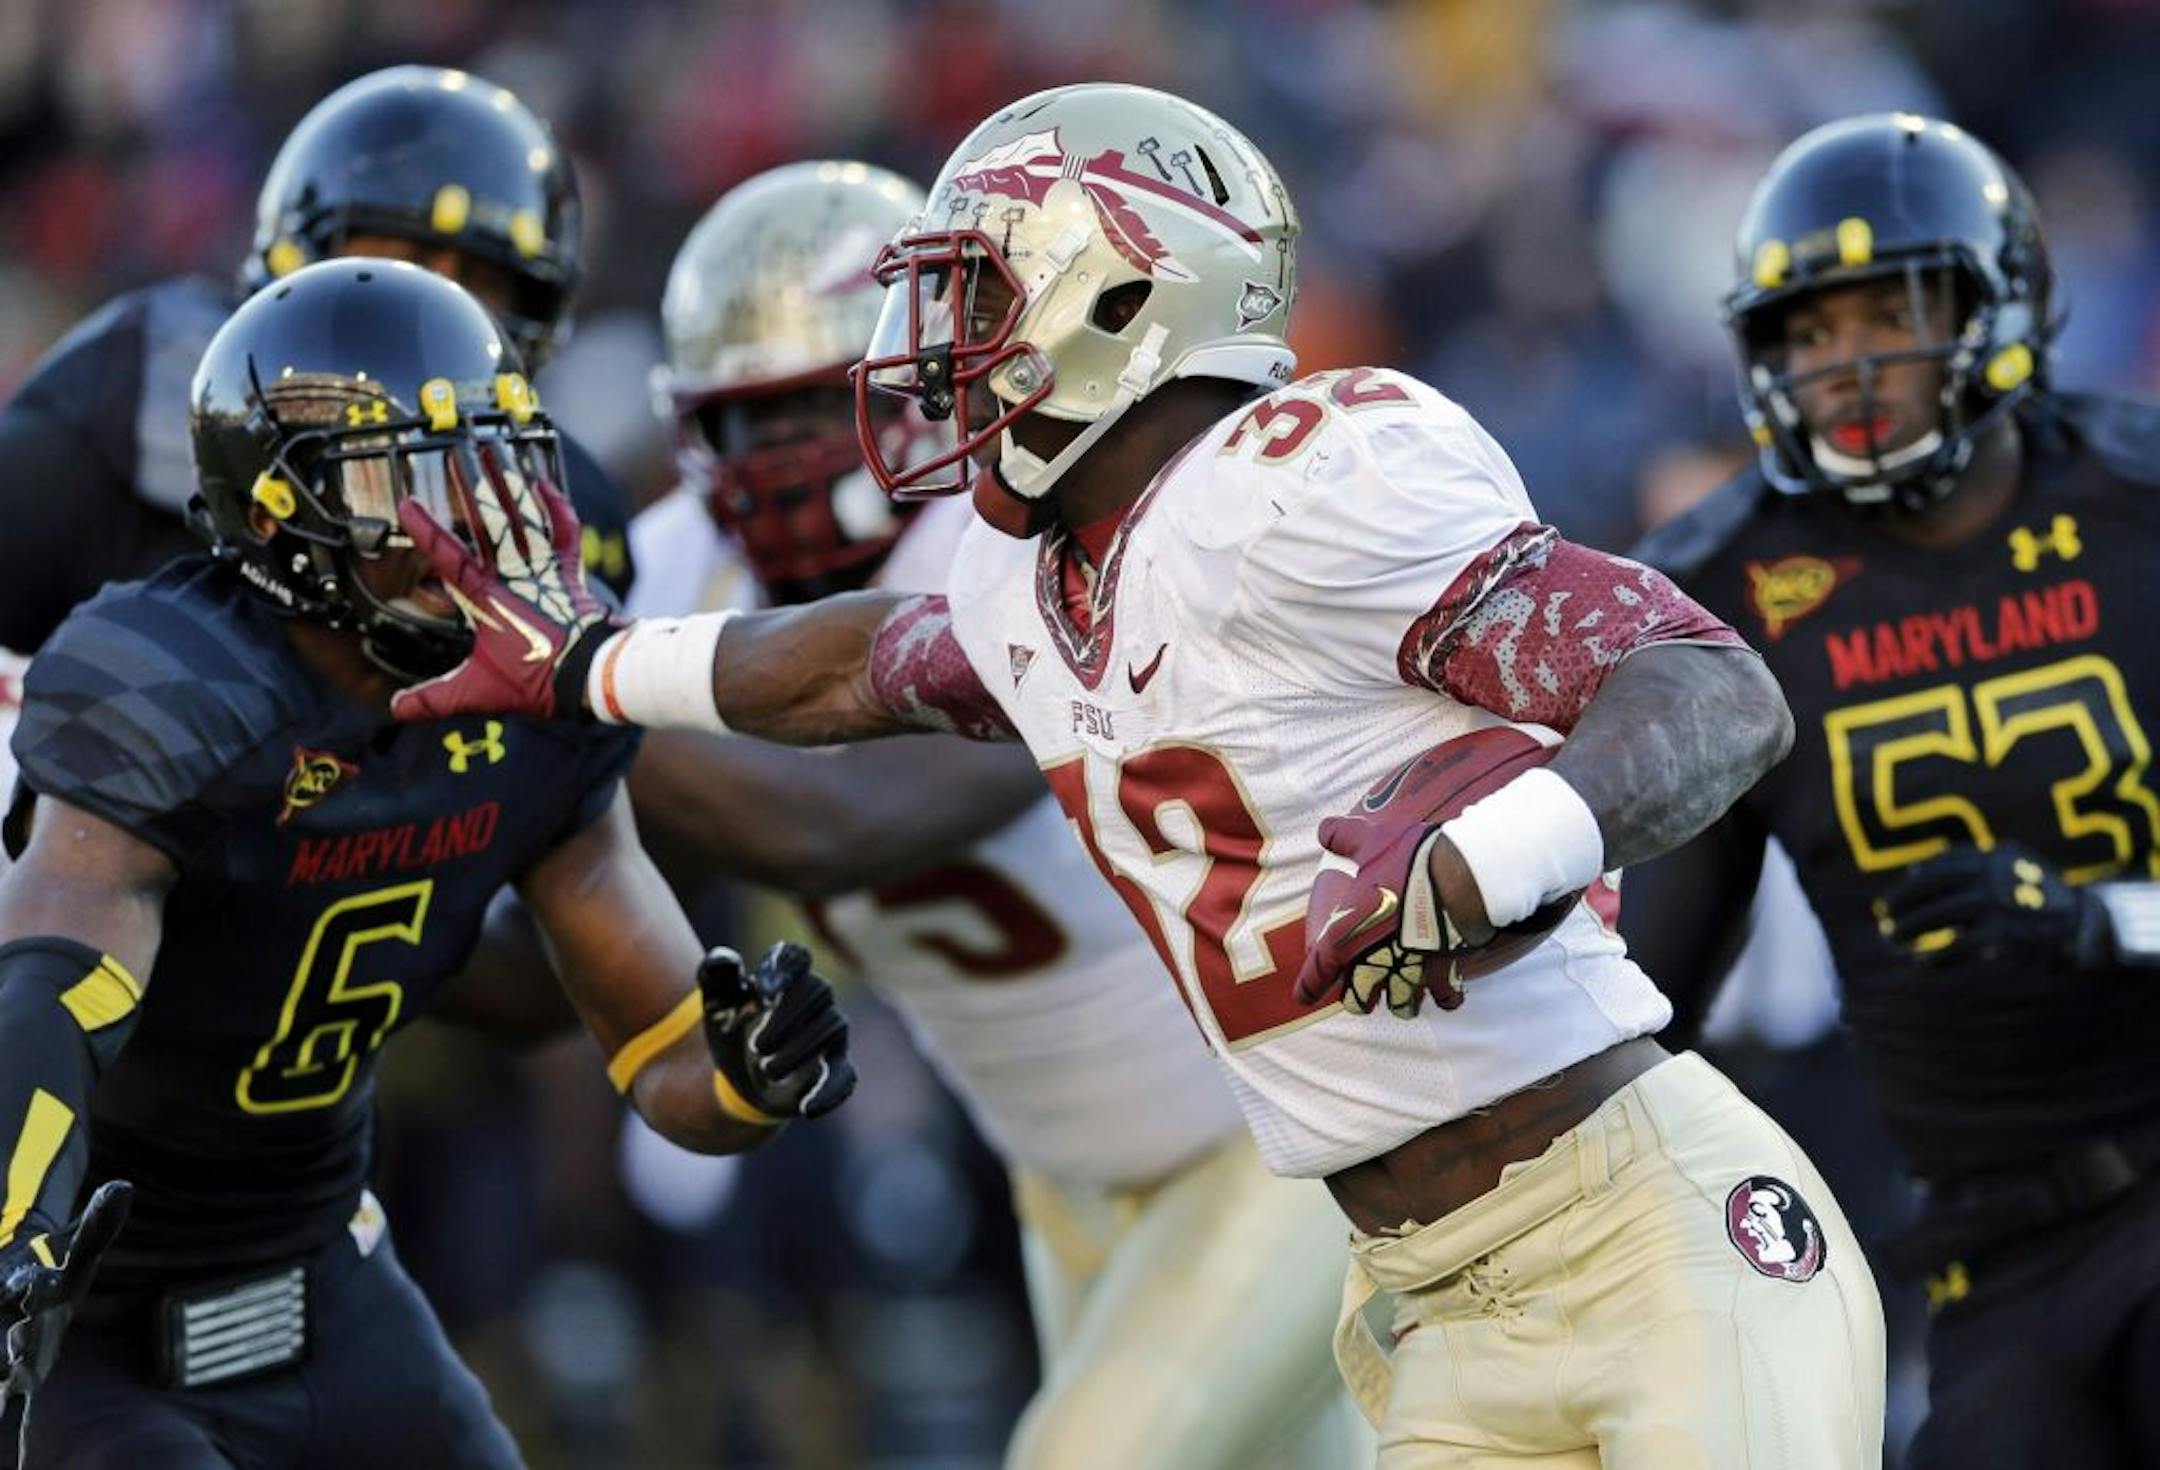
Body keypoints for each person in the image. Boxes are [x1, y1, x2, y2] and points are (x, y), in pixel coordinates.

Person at [390, 83, 1887, 1467]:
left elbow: (1711, 686)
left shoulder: (1304, 479)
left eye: (972, 296)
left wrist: (1485, 858)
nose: (932, 356)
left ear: (1120, 288)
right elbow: (853, 667)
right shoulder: (1042, 583)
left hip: (1644, 1239)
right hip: (1434, 1300)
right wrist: (588, 662)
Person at [0, 259, 855, 1469]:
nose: (471, 522)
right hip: (89, 1306)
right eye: (414, 474)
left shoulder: (538, 704)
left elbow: (660, 1050)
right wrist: (11, 1217)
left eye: (490, 466)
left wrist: (749, 1079)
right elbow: (50, 983)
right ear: (282, 511)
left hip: (319, 1268)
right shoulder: (174, 683)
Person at [629, 158, 1371, 1467]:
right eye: (743, 426)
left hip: (1282, 1137)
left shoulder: (1026, 540)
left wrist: (566, 709)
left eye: (812, 407)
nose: (780, 463)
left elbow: (849, 821)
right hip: (1064, 1174)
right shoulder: (678, 567)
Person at [1625, 112, 2160, 1470]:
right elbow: (1647, 1000)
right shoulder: (1724, 586)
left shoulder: (2141, 507)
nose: (1845, 364)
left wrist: (2107, 922)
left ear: (1999, 304)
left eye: (1886, 313)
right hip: (1989, 1247)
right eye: (1807, 331)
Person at [0, 64, 633, 659]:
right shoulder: (135, 393)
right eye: (392, 260)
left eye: (481, 277)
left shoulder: (572, 506)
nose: (425, 306)